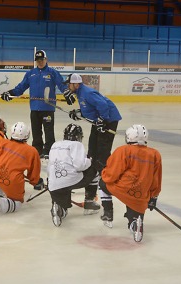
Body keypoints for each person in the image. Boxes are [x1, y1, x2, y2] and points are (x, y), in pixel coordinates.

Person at [98, 124, 162, 242]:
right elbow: (156, 179)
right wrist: (153, 197)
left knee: (102, 184)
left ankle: (108, 213)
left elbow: (111, 176)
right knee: (135, 213)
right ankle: (135, 223)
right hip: (140, 195)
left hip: (121, 189)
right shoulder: (155, 154)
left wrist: (104, 173)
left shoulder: (123, 150)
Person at [66, 73, 122, 203]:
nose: (68, 86)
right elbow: (90, 109)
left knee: (102, 151)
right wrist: (78, 113)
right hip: (99, 121)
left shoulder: (87, 93)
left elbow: (103, 105)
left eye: (69, 84)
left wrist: (103, 120)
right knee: (92, 150)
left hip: (109, 120)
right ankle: (95, 178)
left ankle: (107, 181)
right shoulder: (80, 93)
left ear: (76, 84)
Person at [0, 50, 66, 158]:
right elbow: (20, 88)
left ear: (46, 59)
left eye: (41, 59)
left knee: (48, 131)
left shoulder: (52, 73)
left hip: (48, 108)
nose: (39, 62)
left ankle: (49, 150)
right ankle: (37, 150)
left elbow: (62, 85)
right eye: (37, 60)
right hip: (34, 108)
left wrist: (67, 93)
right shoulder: (30, 74)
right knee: (36, 131)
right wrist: (10, 93)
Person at [47, 123, 100, 227]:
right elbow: (79, 165)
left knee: (63, 200)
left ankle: (58, 206)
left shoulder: (55, 145)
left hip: (53, 184)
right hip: (70, 180)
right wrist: (89, 161)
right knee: (94, 169)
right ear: (78, 136)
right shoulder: (77, 145)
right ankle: (89, 203)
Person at [0, 122, 42, 216]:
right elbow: (34, 171)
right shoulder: (32, 151)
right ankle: (1, 204)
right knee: (18, 203)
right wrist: (35, 181)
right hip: (13, 180)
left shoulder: (2, 142)